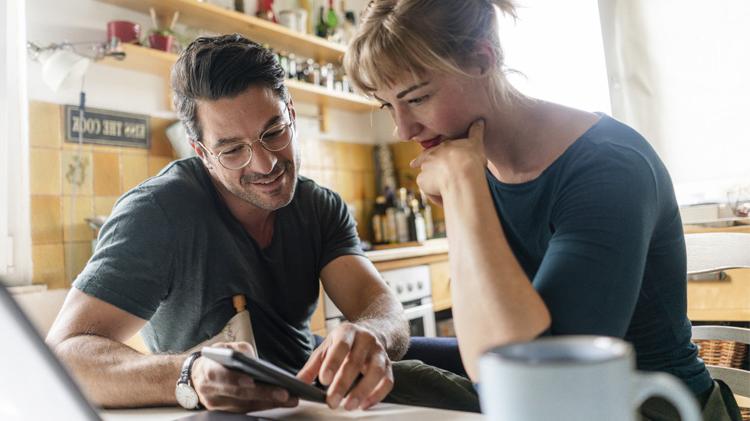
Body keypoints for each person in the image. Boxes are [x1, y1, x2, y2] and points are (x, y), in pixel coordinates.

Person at [344, 1, 742, 420]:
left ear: (483, 59)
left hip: (648, 407)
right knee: (359, 379)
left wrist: (462, 189)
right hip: (545, 397)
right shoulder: (473, 163)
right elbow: (492, 346)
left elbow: (543, 378)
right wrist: (370, 346)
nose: (403, 130)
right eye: (388, 106)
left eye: (418, 98)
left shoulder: (609, 166)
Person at [46, 34, 410, 414]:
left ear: (292, 114)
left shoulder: (319, 206)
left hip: (314, 405)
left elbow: (382, 307)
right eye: (233, 150)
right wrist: (188, 374)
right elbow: (64, 354)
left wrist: (373, 334)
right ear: (201, 153)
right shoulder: (157, 213)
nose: (265, 164)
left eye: (274, 133)